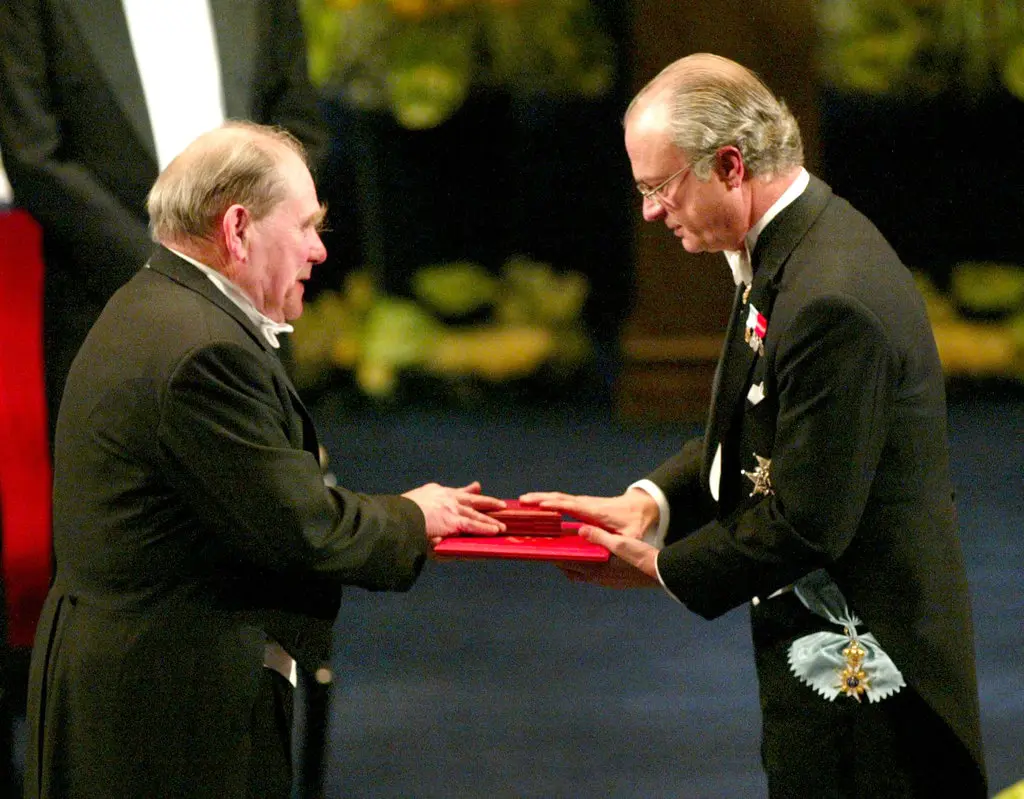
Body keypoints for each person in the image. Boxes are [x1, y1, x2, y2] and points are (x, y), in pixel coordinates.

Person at [523, 53, 987, 797]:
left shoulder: (830, 296)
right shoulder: (787, 251)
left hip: (872, 690)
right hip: (831, 662)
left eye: (659, 186)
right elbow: (759, 422)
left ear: (730, 165)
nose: (649, 211)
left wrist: (660, 568)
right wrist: (649, 503)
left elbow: (806, 523)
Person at [22, 120, 507, 799]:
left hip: (138, 690)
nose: (317, 250)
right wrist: (415, 516)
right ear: (239, 228)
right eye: (306, 226)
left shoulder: (154, 305)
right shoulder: (201, 352)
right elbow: (305, 528)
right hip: (165, 720)